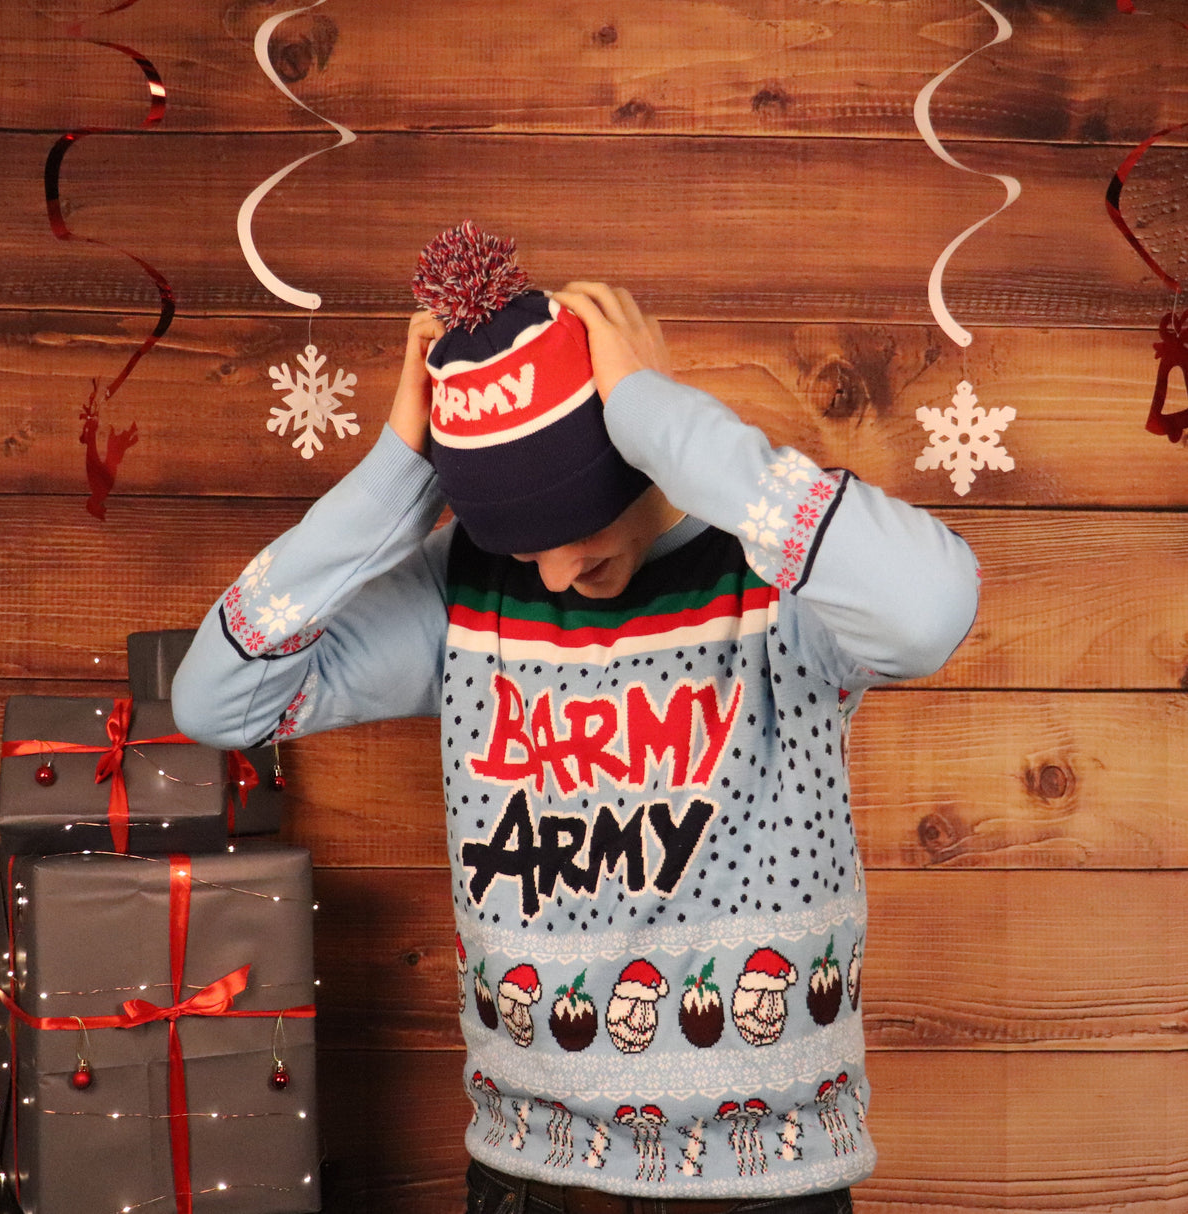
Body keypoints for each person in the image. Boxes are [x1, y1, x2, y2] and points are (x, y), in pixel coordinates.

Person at [172, 222, 980, 1214]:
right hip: (528, 1176)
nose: (555, 570)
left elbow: (933, 606)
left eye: (572, 523)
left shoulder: (773, 574)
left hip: (765, 1179)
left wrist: (667, 418)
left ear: (636, 446)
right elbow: (217, 695)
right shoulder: (464, 588)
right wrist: (395, 474)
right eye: (517, 543)